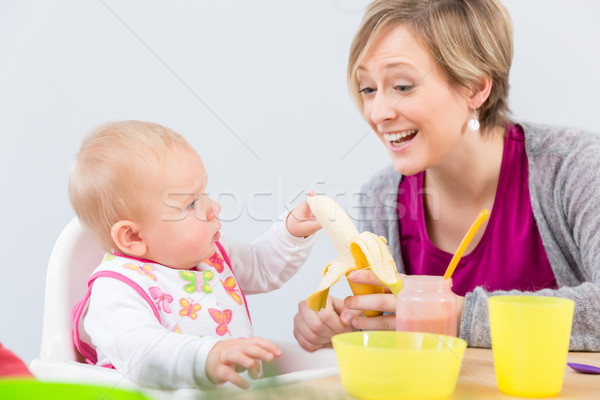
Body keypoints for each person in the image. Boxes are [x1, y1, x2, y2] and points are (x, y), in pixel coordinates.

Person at [293, 0, 600, 352]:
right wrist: (353, 330)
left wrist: (458, 316)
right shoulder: (381, 199)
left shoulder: (575, 169)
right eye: (368, 88)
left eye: (403, 86)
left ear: (475, 88)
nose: (377, 113)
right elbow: (402, 348)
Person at [69, 121, 321, 390]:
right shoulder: (116, 291)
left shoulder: (209, 255)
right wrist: (207, 357)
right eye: (191, 203)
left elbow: (261, 266)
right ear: (133, 237)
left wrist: (292, 233)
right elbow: (143, 353)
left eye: (204, 194)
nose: (213, 207)